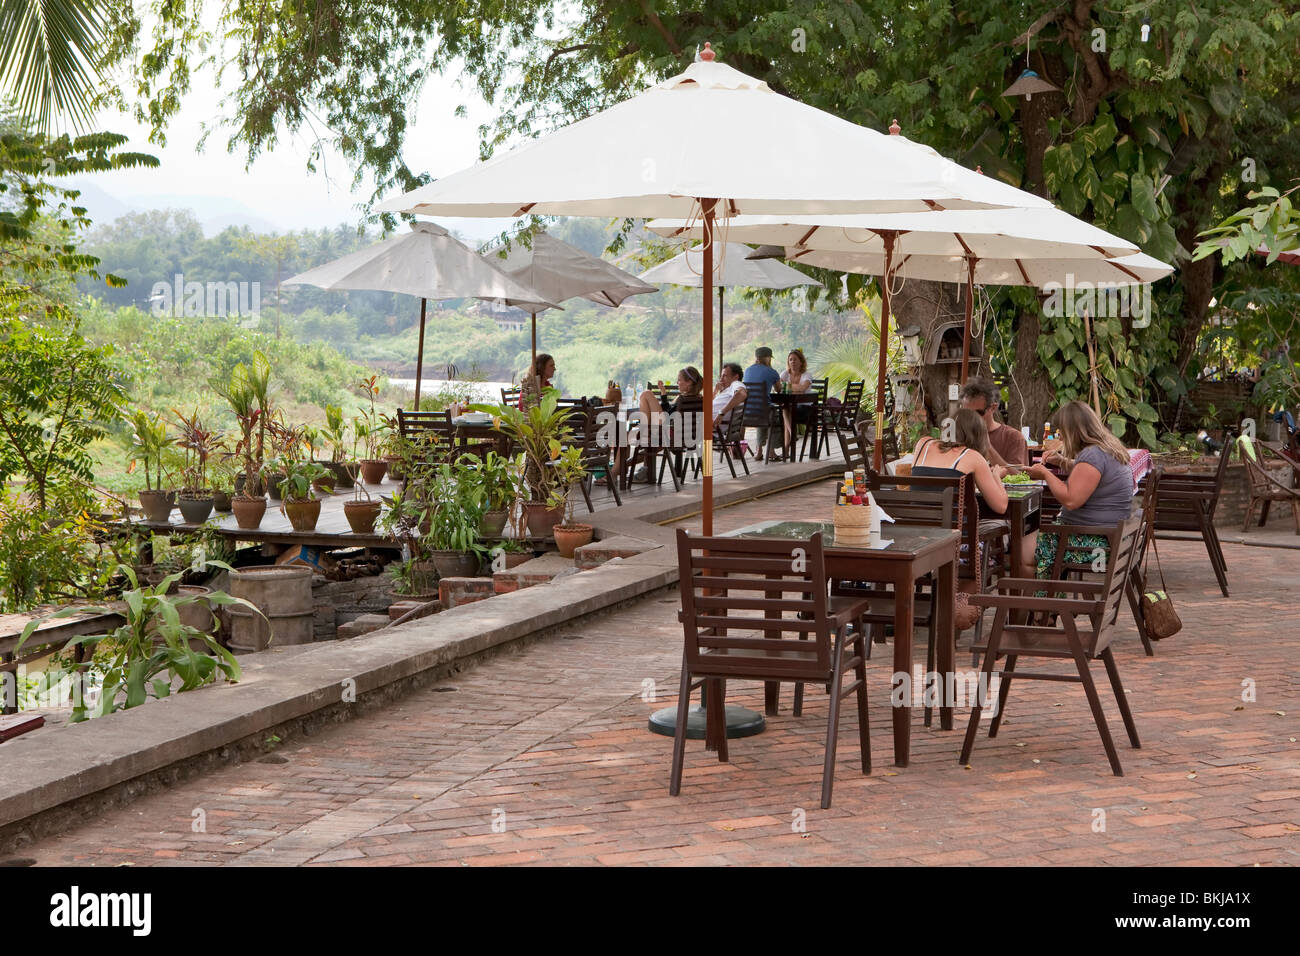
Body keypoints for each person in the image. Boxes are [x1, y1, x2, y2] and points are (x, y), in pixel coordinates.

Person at [909, 410, 1017, 616]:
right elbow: (1001, 506)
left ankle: (944, 606)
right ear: (977, 434)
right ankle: (957, 610)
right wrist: (995, 475)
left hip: (919, 541)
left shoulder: (922, 444)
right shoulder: (973, 457)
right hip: (955, 547)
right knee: (991, 539)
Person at [1028, 400, 1136, 577]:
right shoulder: (1106, 448)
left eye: (1061, 431)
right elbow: (1092, 473)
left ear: (1073, 431)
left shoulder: (1092, 455)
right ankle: (1049, 596)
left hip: (1092, 543)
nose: (1060, 437)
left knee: (1022, 549)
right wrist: (1062, 462)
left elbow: (1071, 500)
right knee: (1031, 545)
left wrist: (1045, 474)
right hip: (1108, 535)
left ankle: (1045, 600)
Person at [961, 379, 1027, 466]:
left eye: (978, 413)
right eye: (967, 413)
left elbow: (1018, 475)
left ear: (993, 408)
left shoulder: (1013, 437)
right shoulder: (960, 435)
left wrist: (987, 445)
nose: (971, 418)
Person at [743, 346, 782, 460]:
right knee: (774, 415)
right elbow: (779, 389)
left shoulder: (747, 370)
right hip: (762, 412)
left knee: (765, 410)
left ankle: (758, 451)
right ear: (768, 358)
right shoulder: (772, 372)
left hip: (747, 412)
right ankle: (771, 451)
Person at [779, 348, 814, 454]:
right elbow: (779, 387)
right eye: (790, 360)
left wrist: (786, 386)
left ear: (801, 362)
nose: (792, 362)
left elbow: (803, 388)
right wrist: (795, 387)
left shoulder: (806, 375)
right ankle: (792, 436)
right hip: (791, 407)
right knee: (786, 409)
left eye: (795, 359)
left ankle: (786, 447)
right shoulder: (785, 374)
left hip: (806, 409)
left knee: (786, 411)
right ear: (788, 362)